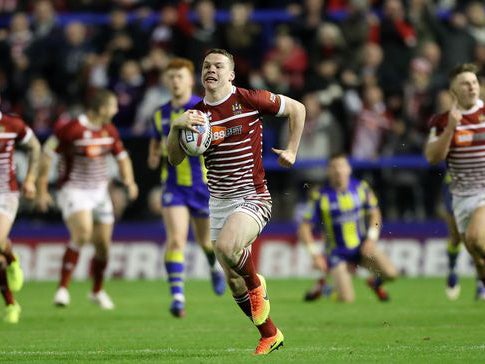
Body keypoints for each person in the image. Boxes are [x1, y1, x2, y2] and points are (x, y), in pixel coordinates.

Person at [166, 49, 306, 355]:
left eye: (218, 66)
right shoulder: (196, 115)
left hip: (252, 196)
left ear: (231, 74)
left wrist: (293, 150)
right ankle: (270, 334)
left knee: (229, 250)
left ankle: (258, 285)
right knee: (233, 282)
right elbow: (174, 159)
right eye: (206, 66)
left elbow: (298, 108)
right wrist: (176, 127)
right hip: (218, 203)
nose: (211, 70)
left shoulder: (250, 99)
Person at [36, 89, 138, 310]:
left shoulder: (109, 131)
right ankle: (62, 288)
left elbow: (122, 158)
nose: (116, 110)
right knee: (82, 232)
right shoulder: (71, 129)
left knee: (103, 247)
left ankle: (97, 291)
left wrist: (129, 181)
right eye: (113, 106)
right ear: (102, 108)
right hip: (74, 189)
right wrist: (42, 188)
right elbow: (47, 155)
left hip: (100, 192)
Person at [147, 57, 226, 318]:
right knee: (176, 239)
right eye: (170, 77)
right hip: (174, 186)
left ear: (191, 80)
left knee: (205, 241)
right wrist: (155, 154)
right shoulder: (160, 114)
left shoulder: (203, 109)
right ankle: (178, 297)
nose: (174, 81)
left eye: (180, 76)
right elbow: (156, 146)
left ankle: (214, 268)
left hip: (203, 186)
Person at [298, 153, 398, 303]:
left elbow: (375, 214)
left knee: (392, 274)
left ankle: (374, 283)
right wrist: (316, 255)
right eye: (334, 167)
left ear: (349, 169)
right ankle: (324, 288)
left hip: (361, 248)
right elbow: (304, 228)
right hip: (337, 253)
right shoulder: (319, 196)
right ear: (328, 171)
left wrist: (371, 238)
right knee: (346, 299)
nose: (338, 170)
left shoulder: (361, 188)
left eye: (342, 166)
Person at [425, 62, 485, 300]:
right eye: (465, 83)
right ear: (454, 92)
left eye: (474, 82)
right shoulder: (441, 122)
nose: (471, 87)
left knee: (473, 238)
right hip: (460, 196)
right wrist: (450, 128)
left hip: (483, 190)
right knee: (477, 255)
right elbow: (433, 157)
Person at [0, 110, 41, 323]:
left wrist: (31, 179)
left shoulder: (11, 124)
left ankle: (12, 259)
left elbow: (35, 146)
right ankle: (10, 303)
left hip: (5, 192)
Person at [440, 172, 463, 300]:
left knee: (479, 236)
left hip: (480, 182)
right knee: (456, 237)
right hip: (455, 182)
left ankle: (480, 284)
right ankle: (452, 269)